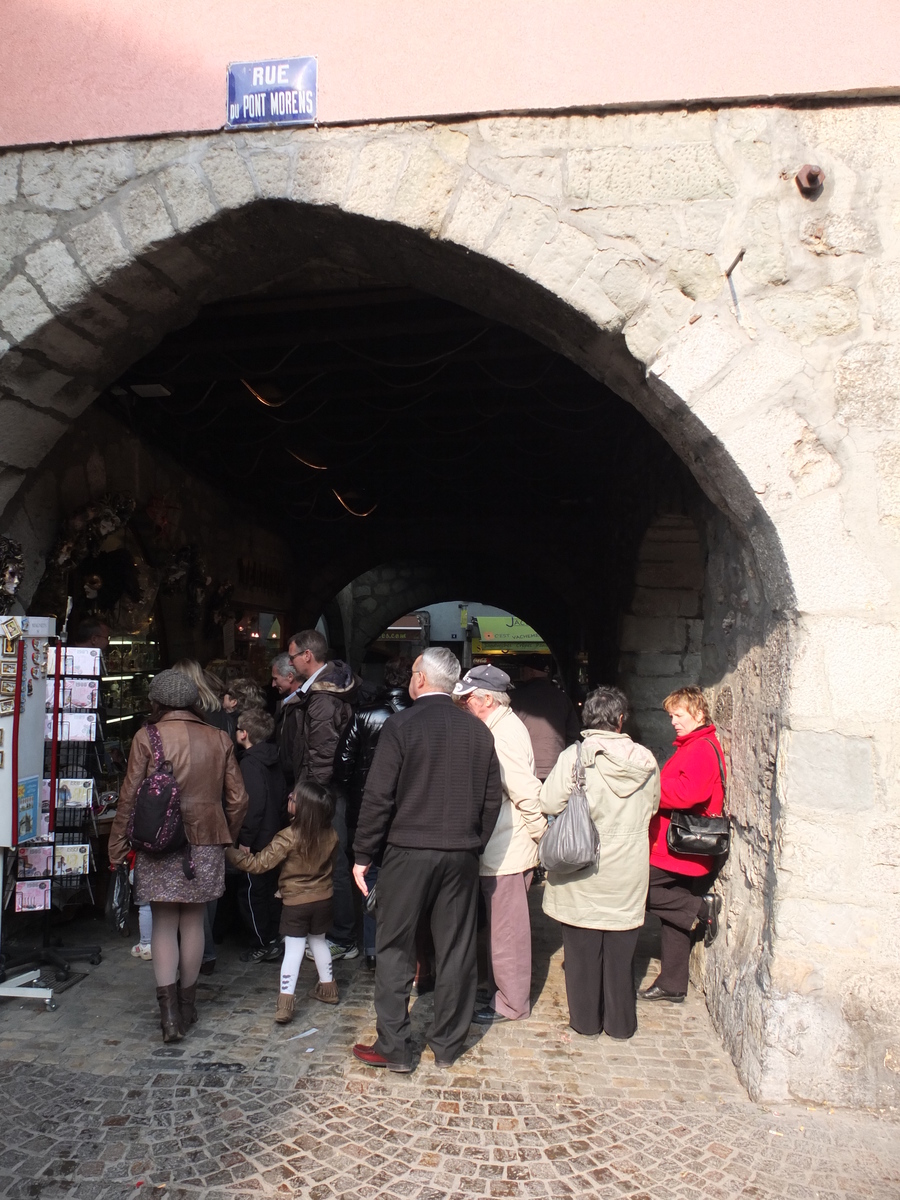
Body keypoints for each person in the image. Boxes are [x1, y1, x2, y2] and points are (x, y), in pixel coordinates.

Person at [351, 647, 502, 1072]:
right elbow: (493, 801)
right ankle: (448, 1044)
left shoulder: (403, 725)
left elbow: (378, 796)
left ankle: (395, 1047)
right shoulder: (478, 731)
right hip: (460, 853)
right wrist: (474, 842)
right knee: (455, 948)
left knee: (395, 946)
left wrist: (363, 853)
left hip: (409, 850)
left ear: (420, 679)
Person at [107, 669, 248, 1043]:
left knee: (164, 923)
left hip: (158, 840)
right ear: (193, 700)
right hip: (206, 837)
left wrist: (117, 845)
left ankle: (169, 1015)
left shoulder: (145, 737)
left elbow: (129, 795)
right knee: (194, 921)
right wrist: (225, 835)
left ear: (157, 701)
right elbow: (238, 799)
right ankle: (187, 1005)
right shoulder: (219, 737)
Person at [541, 685, 660, 1039]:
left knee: (581, 954)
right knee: (621, 954)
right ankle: (621, 1025)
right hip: (628, 867)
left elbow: (548, 802)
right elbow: (652, 806)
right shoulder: (646, 759)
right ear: (621, 719)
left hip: (583, 870)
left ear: (587, 718)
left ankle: (586, 1022)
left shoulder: (575, 757)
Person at [453, 664, 546, 1025]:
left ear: (486, 699)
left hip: (509, 846)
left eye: (468, 698)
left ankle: (510, 1002)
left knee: (507, 931)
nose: (464, 704)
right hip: (505, 845)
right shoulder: (501, 725)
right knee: (501, 926)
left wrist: (541, 836)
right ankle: (500, 991)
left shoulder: (502, 733)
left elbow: (524, 790)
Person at [227, 780, 340, 1024]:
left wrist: (229, 851)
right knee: (319, 942)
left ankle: (285, 1005)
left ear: (303, 809)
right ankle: (329, 989)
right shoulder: (331, 833)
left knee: (293, 950)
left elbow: (258, 864)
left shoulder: (288, 837)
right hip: (323, 898)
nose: (289, 796)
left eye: (293, 798)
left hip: (297, 903)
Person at [639, 686, 724, 1003]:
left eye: (679, 715)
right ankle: (673, 983)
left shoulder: (700, 747)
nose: (673, 721)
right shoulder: (692, 745)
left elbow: (690, 794)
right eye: (671, 716)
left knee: (633, 887)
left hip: (680, 848)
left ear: (698, 714)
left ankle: (701, 907)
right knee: (672, 912)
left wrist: (651, 786)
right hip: (679, 846)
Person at [333, 658, 413, 970]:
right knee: (407, 879)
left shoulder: (364, 714)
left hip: (367, 807)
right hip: (408, 809)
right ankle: (406, 949)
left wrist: (355, 790)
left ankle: (372, 948)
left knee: (370, 876)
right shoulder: (417, 715)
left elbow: (342, 764)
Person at [287, 629, 360, 961]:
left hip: (326, 795)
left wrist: (309, 793)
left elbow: (322, 753)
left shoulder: (322, 697)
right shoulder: (327, 689)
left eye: (292, 656)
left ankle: (343, 937)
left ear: (306, 656)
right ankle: (337, 932)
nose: (290, 663)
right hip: (330, 792)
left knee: (332, 861)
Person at [235, 707, 288, 963]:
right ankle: (275, 938)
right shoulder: (274, 759)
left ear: (244, 734)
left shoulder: (249, 763)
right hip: (274, 834)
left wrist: (245, 838)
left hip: (256, 839)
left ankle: (262, 942)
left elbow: (252, 804)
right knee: (270, 890)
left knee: (251, 893)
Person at [510, 655, 581, 781]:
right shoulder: (562, 698)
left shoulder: (516, 697)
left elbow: (508, 733)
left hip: (525, 768)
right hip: (556, 768)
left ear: (530, 672)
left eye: (523, 670)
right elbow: (573, 733)